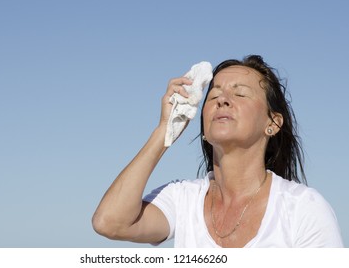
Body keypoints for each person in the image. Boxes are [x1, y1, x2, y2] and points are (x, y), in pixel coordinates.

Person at [92, 55, 343, 248]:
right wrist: (164, 132)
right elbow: (110, 222)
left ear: (272, 123)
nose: (222, 100)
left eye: (240, 93)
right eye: (213, 95)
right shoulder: (183, 199)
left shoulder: (303, 209)